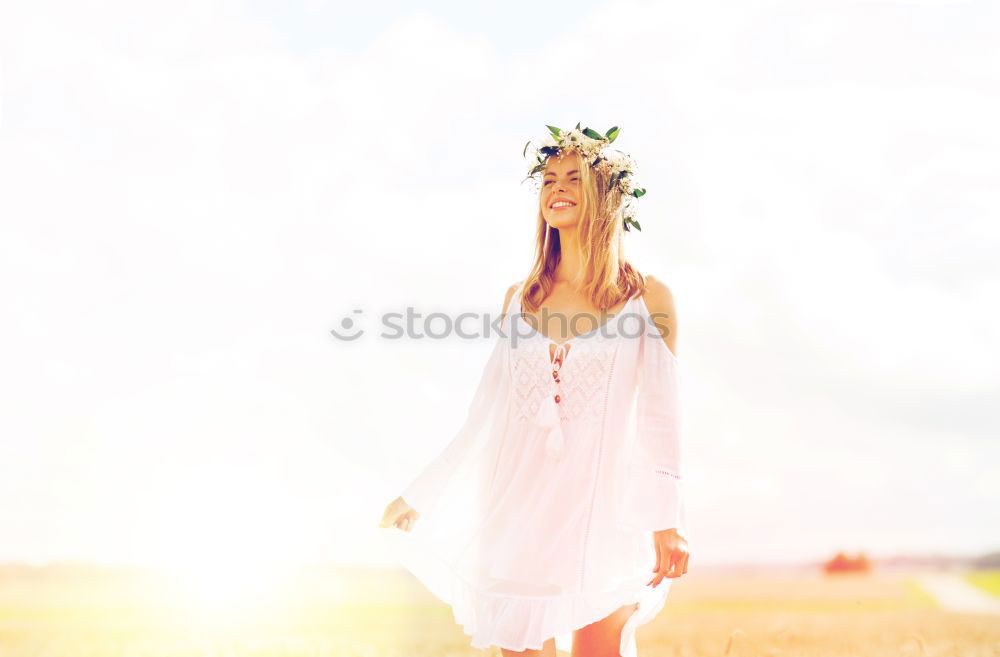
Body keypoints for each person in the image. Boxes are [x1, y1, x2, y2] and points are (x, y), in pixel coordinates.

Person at [379, 123, 690, 657]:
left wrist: (668, 521)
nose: (558, 188)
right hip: (516, 509)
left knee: (600, 650)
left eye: (574, 177)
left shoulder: (647, 298)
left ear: (608, 197)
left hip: (603, 511)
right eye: (549, 179)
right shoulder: (518, 300)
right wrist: (421, 493)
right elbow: (486, 413)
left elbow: (662, 419)